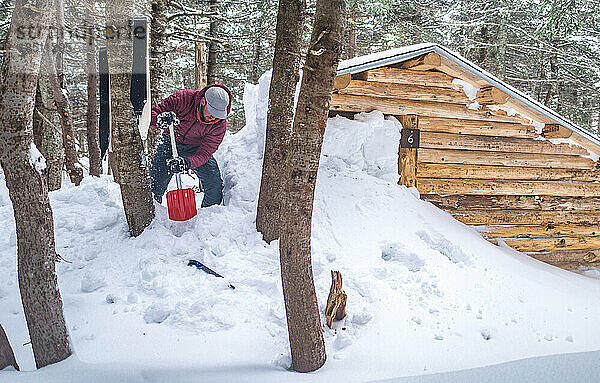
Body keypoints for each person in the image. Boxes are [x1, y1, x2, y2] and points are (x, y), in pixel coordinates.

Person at [149, 84, 232, 207]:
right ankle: (155, 218)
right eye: (212, 112)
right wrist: (159, 119)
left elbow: (205, 153)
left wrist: (187, 162)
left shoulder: (219, 125)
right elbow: (152, 114)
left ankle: (207, 218)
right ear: (203, 101)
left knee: (214, 186)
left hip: (196, 149)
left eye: (218, 114)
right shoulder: (182, 99)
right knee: (154, 186)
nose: (214, 117)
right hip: (170, 143)